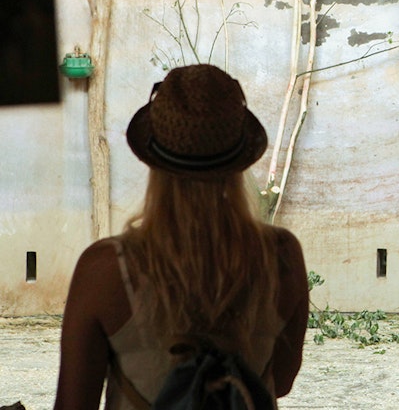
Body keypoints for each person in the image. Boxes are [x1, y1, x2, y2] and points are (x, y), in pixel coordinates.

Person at [53, 64, 309, 410]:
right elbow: (280, 380)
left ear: (151, 156)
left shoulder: (106, 269)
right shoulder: (282, 256)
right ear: (240, 157)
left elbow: (73, 404)